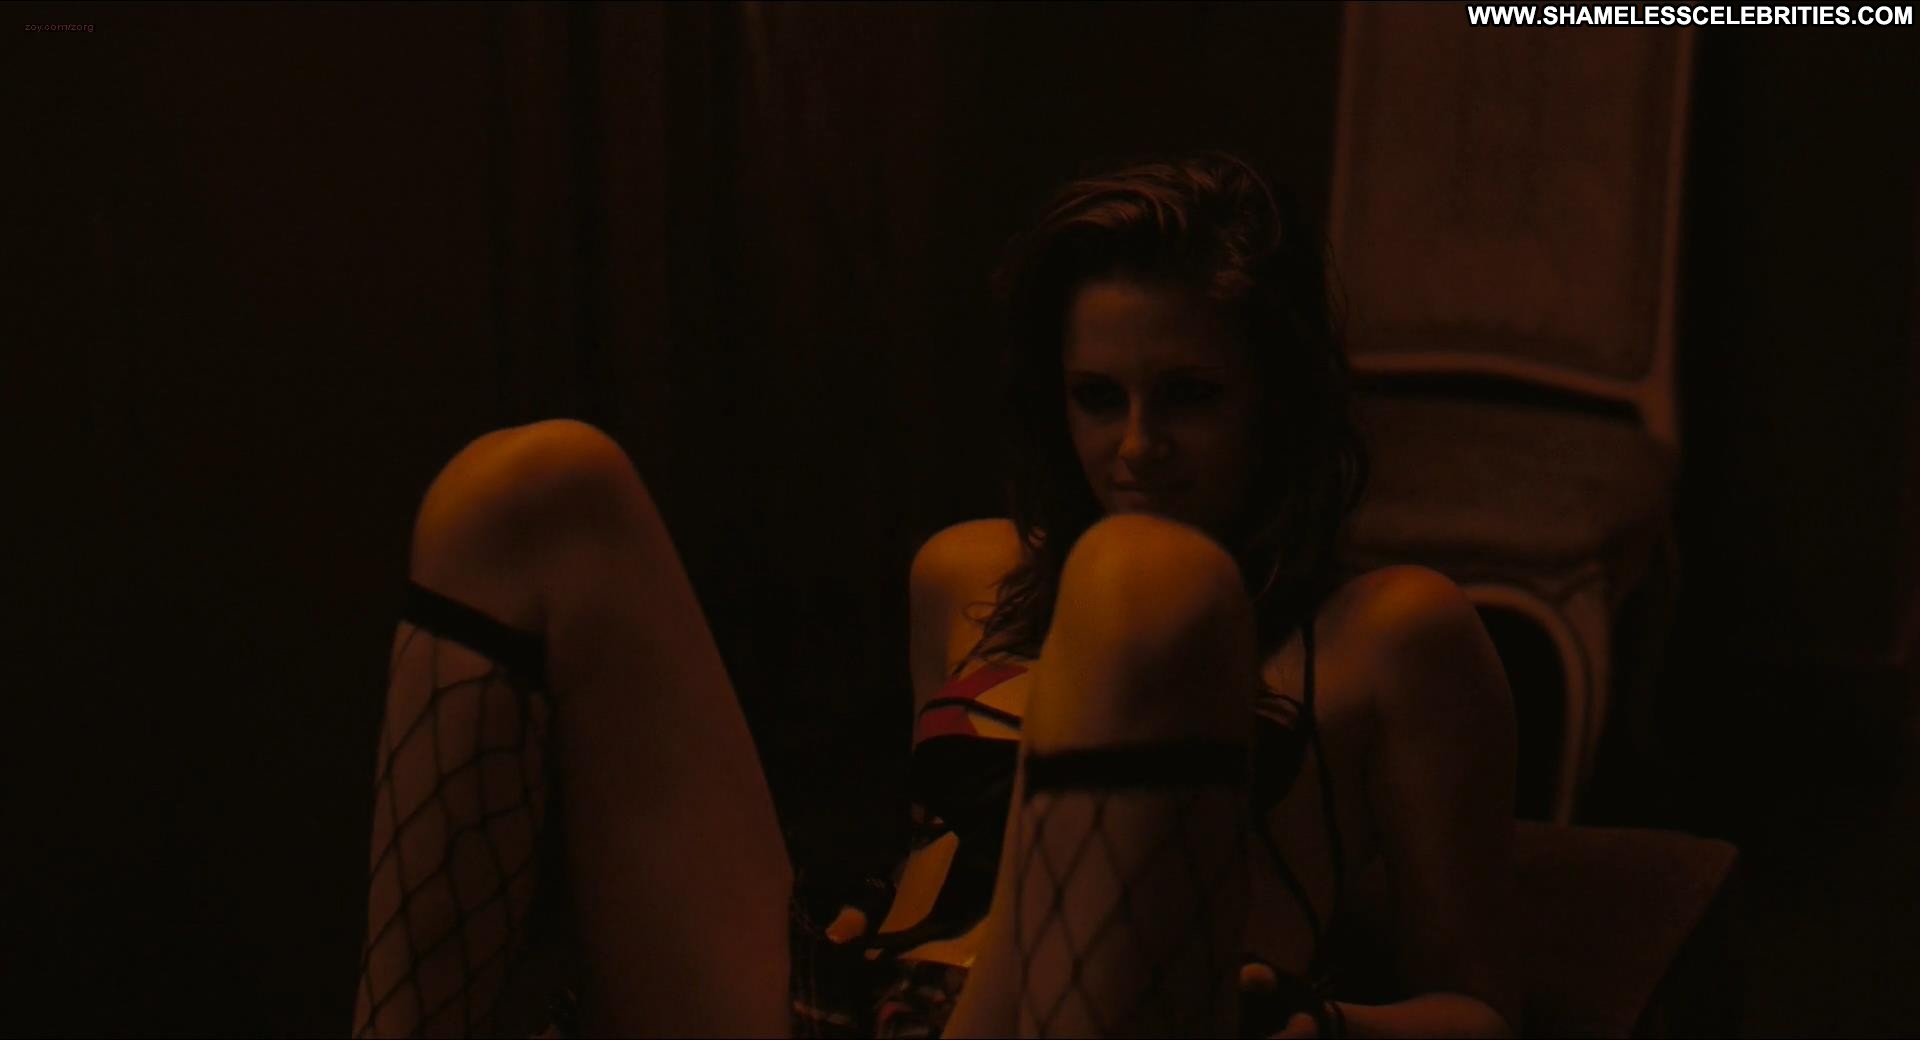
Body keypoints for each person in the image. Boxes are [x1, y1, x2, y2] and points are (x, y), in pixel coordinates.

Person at [352, 153, 1520, 1039]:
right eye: (1098, 397)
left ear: (1277, 403)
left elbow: (1481, 1010)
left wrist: (1322, 1022)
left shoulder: (1391, 634)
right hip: (853, 1001)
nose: (1136, 448)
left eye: (1190, 395)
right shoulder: (969, 576)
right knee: (534, 485)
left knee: (1141, 577)